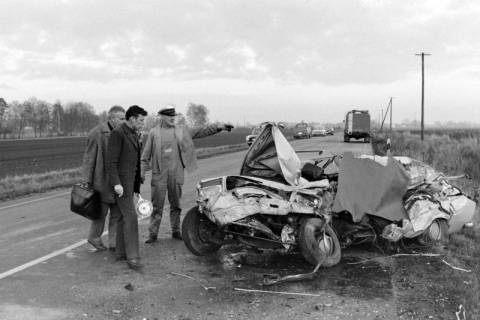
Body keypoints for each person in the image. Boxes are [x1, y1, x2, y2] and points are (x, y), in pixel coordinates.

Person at [141, 105, 233, 243]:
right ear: (162, 117)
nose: (173, 118)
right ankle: (152, 234)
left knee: (176, 205)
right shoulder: (154, 133)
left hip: (175, 173)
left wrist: (219, 127)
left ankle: (176, 231)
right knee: (157, 206)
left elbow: (202, 131)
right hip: (159, 175)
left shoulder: (181, 130)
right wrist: (142, 171)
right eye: (169, 116)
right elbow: (145, 155)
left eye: (174, 116)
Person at [106, 105, 148, 270]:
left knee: (124, 218)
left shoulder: (133, 133)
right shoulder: (118, 133)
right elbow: (111, 162)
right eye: (141, 120)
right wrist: (116, 183)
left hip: (129, 184)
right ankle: (133, 257)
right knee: (130, 218)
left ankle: (120, 252)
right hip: (121, 186)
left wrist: (136, 185)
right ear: (132, 119)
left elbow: (135, 162)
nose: (143, 123)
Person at [82, 105, 125, 251]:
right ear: (111, 118)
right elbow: (89, 159)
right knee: (101, 212)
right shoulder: (96, 133)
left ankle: (114, 243)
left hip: (118, 180)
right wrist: (87, 181)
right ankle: (94, 238)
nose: (124, 121)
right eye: (121, 118)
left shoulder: (122, 132)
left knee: (117, 212)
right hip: (101, 181)